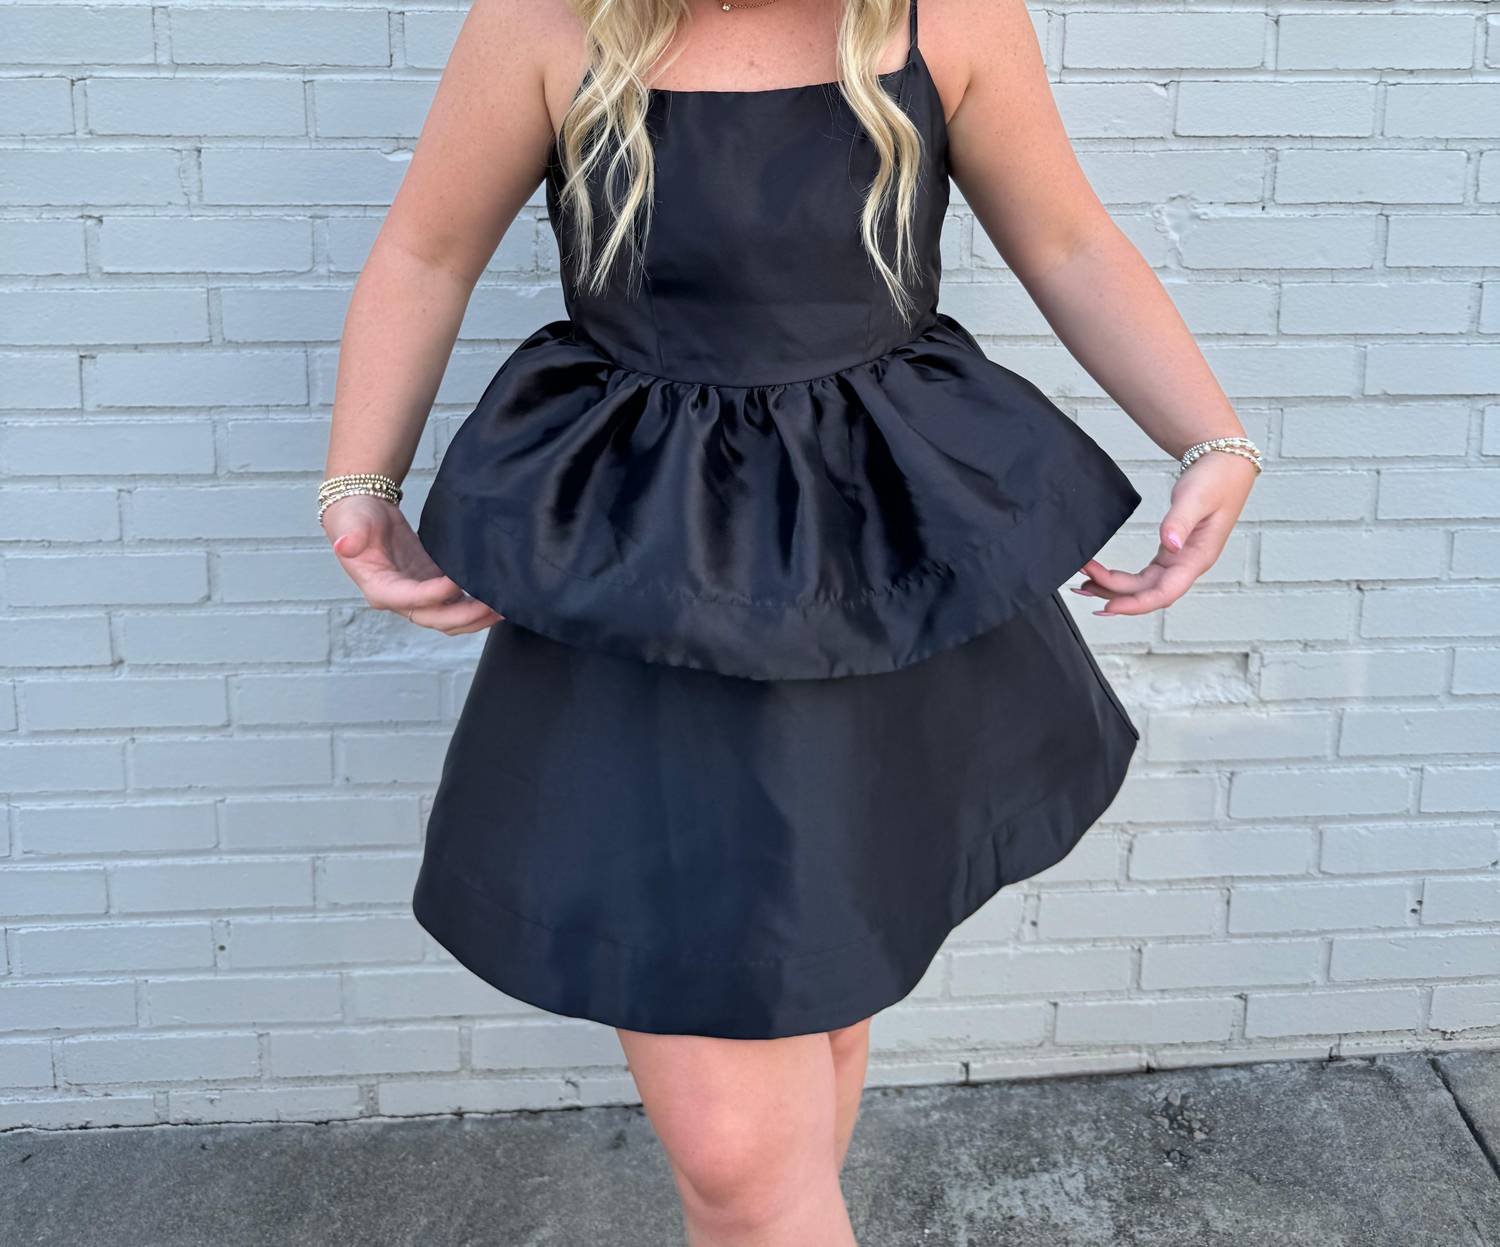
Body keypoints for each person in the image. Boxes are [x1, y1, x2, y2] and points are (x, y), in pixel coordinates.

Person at [319, 0, 1260, 1240]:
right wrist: (361, 478)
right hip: (646, 594)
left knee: (821, 1007)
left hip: (869, 574)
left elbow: (1070, 240)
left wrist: (1212, 437)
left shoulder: (946, 18)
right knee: (739, 1161)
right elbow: (427, 250)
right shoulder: (547, 22)